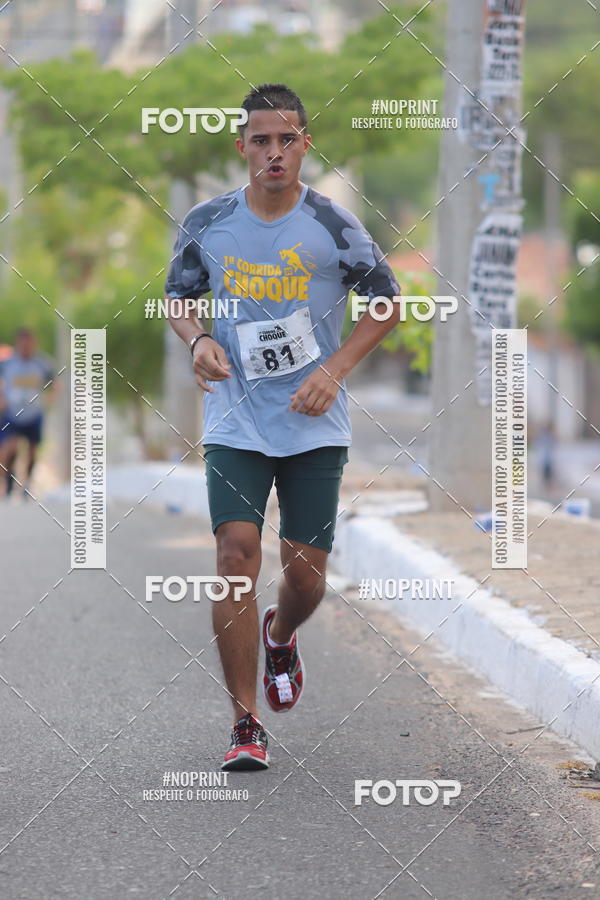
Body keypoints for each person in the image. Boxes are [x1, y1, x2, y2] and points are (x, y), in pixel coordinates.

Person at [165, 83, 401, 770]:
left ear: (305, 145)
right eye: (261, 140)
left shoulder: (333, 225)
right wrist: (196, 340)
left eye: (286, 139)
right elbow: (178, 296)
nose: (274, 151)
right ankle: (246, 723)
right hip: (234, 417)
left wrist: (335, 369)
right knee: (235, 554)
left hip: (312, 422)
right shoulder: (209, 221)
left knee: (304, 577)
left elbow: (387, 302)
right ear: (241, 146)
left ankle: (281, 632)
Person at [0, 328, 54, 499]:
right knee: (9, 447)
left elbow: (54, 383)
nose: (26, 347)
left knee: (32, 450)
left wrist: (50, 400)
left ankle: (27, 482)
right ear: (18, 344)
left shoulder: (42, 363)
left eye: (29, 344)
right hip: (12, 412)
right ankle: (9, 480)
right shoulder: (8, 363)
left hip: (34, 413)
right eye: (23, 344)